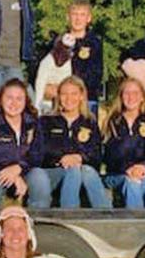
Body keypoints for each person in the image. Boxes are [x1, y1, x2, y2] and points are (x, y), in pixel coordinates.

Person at [0, 79, 51, 209]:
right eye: (9, 98)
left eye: (19, 99)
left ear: (25, 102)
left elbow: (38, 154)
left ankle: (38, 218)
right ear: (0, 99)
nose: (14, 103)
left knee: (39, 176)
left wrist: (19, 168)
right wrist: (13, 173)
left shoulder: (32, 122)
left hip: (22, 170)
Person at [40, 76, 109, 209]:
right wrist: (62, 158)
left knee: (85, 170)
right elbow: (41, 151)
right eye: (64, 94)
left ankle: (105, 215)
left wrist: (80, 157)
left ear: (82, 96)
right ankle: (69, 213)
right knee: (74, 170)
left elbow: (96, 154)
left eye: (74, 94)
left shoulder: (90, 122)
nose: (69, 98)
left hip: (84, 174)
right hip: (54, 172)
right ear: (58, 96)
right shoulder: (46, 121)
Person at [102, 77, 145, 208]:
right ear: (121, 97)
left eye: (135, 93)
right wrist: (128, 169)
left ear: (142, 97)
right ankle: (136, 220)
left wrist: (144, 166)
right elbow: (109, 155)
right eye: (127, 93)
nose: (131, 97)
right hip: (117, 174)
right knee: (133, 182)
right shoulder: (112, 122)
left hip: (143, 171)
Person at [41, 0, 104, 113]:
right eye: (74, 14)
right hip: (60, 100)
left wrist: (72, 89)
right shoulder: (57, 42)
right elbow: (43, 68)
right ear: (68, 17)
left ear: (89, 18)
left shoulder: (95, 43)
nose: (78, 19)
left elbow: (95, 75)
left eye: (82, 15)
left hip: (86, 100)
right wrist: (47, 87)